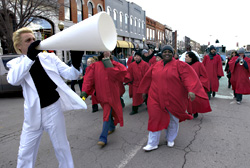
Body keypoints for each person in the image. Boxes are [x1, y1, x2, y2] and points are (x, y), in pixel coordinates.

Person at [7, 27, 87, 168]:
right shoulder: (16, 64)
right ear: (19, 46)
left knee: (61, 146)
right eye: (28, 41)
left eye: (33, 39)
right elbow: (13, 79)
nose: (33, 42)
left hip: (53, 109)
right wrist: (30, 57)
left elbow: (71, 75)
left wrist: (75, 62)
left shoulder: (48, 57)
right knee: (25, 151)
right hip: (32, 114)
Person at [137, 45, 208, 151]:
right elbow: (148, 78)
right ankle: (152, 143)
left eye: (169, 52)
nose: (167, 53)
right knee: (154, 118)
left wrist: (191, 90)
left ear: (173, 53)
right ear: (161, 53)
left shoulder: (180, 65)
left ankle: (170, 138)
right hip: (156, 96)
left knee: (173, 119)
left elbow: (188, 77)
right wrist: (144, 91)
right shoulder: (155, 65)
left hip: (174, 97)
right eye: (164, 51)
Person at [81, 51, 127, 147]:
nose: (107, 53)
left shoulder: (115, 64)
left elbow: (122, 74)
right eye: (105, 51)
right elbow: (89, 79)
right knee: (108, 113)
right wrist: (85, 93)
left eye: (108, 51)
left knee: (106, 114)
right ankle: (112, 126)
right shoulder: (95, 66)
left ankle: (103, 138)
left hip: (112, 95)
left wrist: (109, 66)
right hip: (101, 95)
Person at [185, 51, 212, 118]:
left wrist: (199, 83)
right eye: (185, 56)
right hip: (187, 85)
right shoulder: (185, 65)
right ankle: (189, 112)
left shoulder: (199, 64)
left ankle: (195, 111)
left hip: (196, 85)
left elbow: (204, 75)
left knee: (195, 100)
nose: (185, 58)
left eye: (187, 56)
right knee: (187, 100)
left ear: (191, 58)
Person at [125, 50, 150, 115]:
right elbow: (129, 73)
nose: (136, 57)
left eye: (138, 56)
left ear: (141, 57)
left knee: (146, 96)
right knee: (135, 98)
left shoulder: (145, 65)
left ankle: (149, 107)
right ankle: (134, 110)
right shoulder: (132, 65)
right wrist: (128, 79)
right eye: (135, 56)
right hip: (135, 84)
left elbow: (147, 75)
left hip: (143, 83)